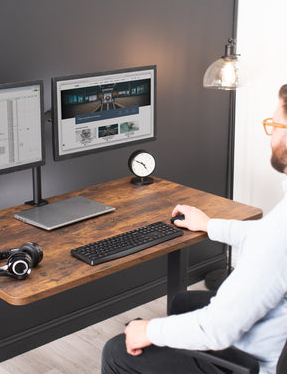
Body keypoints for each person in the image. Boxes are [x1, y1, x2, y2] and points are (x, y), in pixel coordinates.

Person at [101, 84, 287, 374]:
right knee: (183, 301)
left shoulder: (278, 238)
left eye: (275, 124)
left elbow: (216, 330)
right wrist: (208, 224)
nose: (271, 134)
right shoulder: (278, 230)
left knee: (115, 351)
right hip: (275, 337)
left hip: (255, 362)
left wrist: (147, 330)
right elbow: (265, 238)